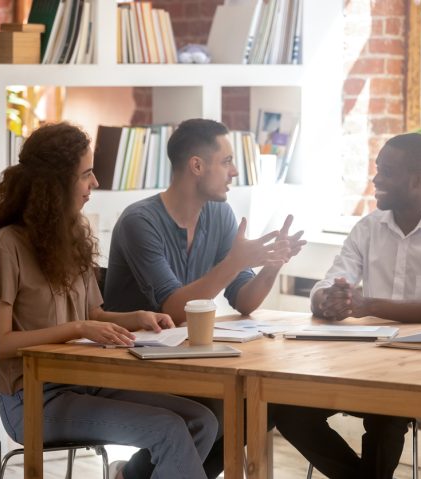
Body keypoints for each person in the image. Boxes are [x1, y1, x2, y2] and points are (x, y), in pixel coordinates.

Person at [0, 123, 219, 479]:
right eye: (86, 174)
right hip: (34, 399)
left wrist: (139, 317)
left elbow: (94, 313)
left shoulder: (73, 234)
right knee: (168, 429)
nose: (95, 183)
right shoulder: (7, 245)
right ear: (55, 184)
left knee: (202, 421)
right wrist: (79, 328)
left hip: (85, 380)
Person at [272, 133, 421, 479]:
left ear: (419, 180)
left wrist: (366, 304)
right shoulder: (367, 228)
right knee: (287, 408)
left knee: (385, 414)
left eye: (386, 172)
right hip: (360, 364)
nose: (376, 180)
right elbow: (330, 281)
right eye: (376, 170)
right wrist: (328, 299)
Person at [103, 118, 305, 478]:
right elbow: (174, 310)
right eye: (227, 161)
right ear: (197, 165)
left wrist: (274, 264)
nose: (234, 171)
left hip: (185, 357)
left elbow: (243, 299)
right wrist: (235, 260)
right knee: (217, 412)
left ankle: (133, 475)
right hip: (131, 360)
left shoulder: (219, 214)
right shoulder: (140, 221)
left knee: (265, 407)